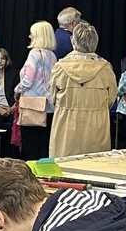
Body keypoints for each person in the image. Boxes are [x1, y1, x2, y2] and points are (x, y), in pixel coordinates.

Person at [49, 23, 117, 157]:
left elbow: (52, 97)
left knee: (65, 168)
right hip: (97, 126)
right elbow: (111, 99)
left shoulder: (60, 67)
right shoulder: (105, 68)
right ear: (95, 42)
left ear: (73, 41)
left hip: (66, 125)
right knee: (94, 167)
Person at [14, 21, 57, 161]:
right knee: (44, 148)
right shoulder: (52, 56)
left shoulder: (34, 54)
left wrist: (16, 89)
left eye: (32, 33)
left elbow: (28, 80)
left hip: (32, 107)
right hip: (49, 107)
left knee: (30, 149)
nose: (30, 35)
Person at [0, 48, 22, 159]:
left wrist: (11, 109)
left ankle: (13, 156)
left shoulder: (14, 73)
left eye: (3, 58)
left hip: (12, 107)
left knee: (15, 121)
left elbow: (19, 95)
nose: (0, 61)